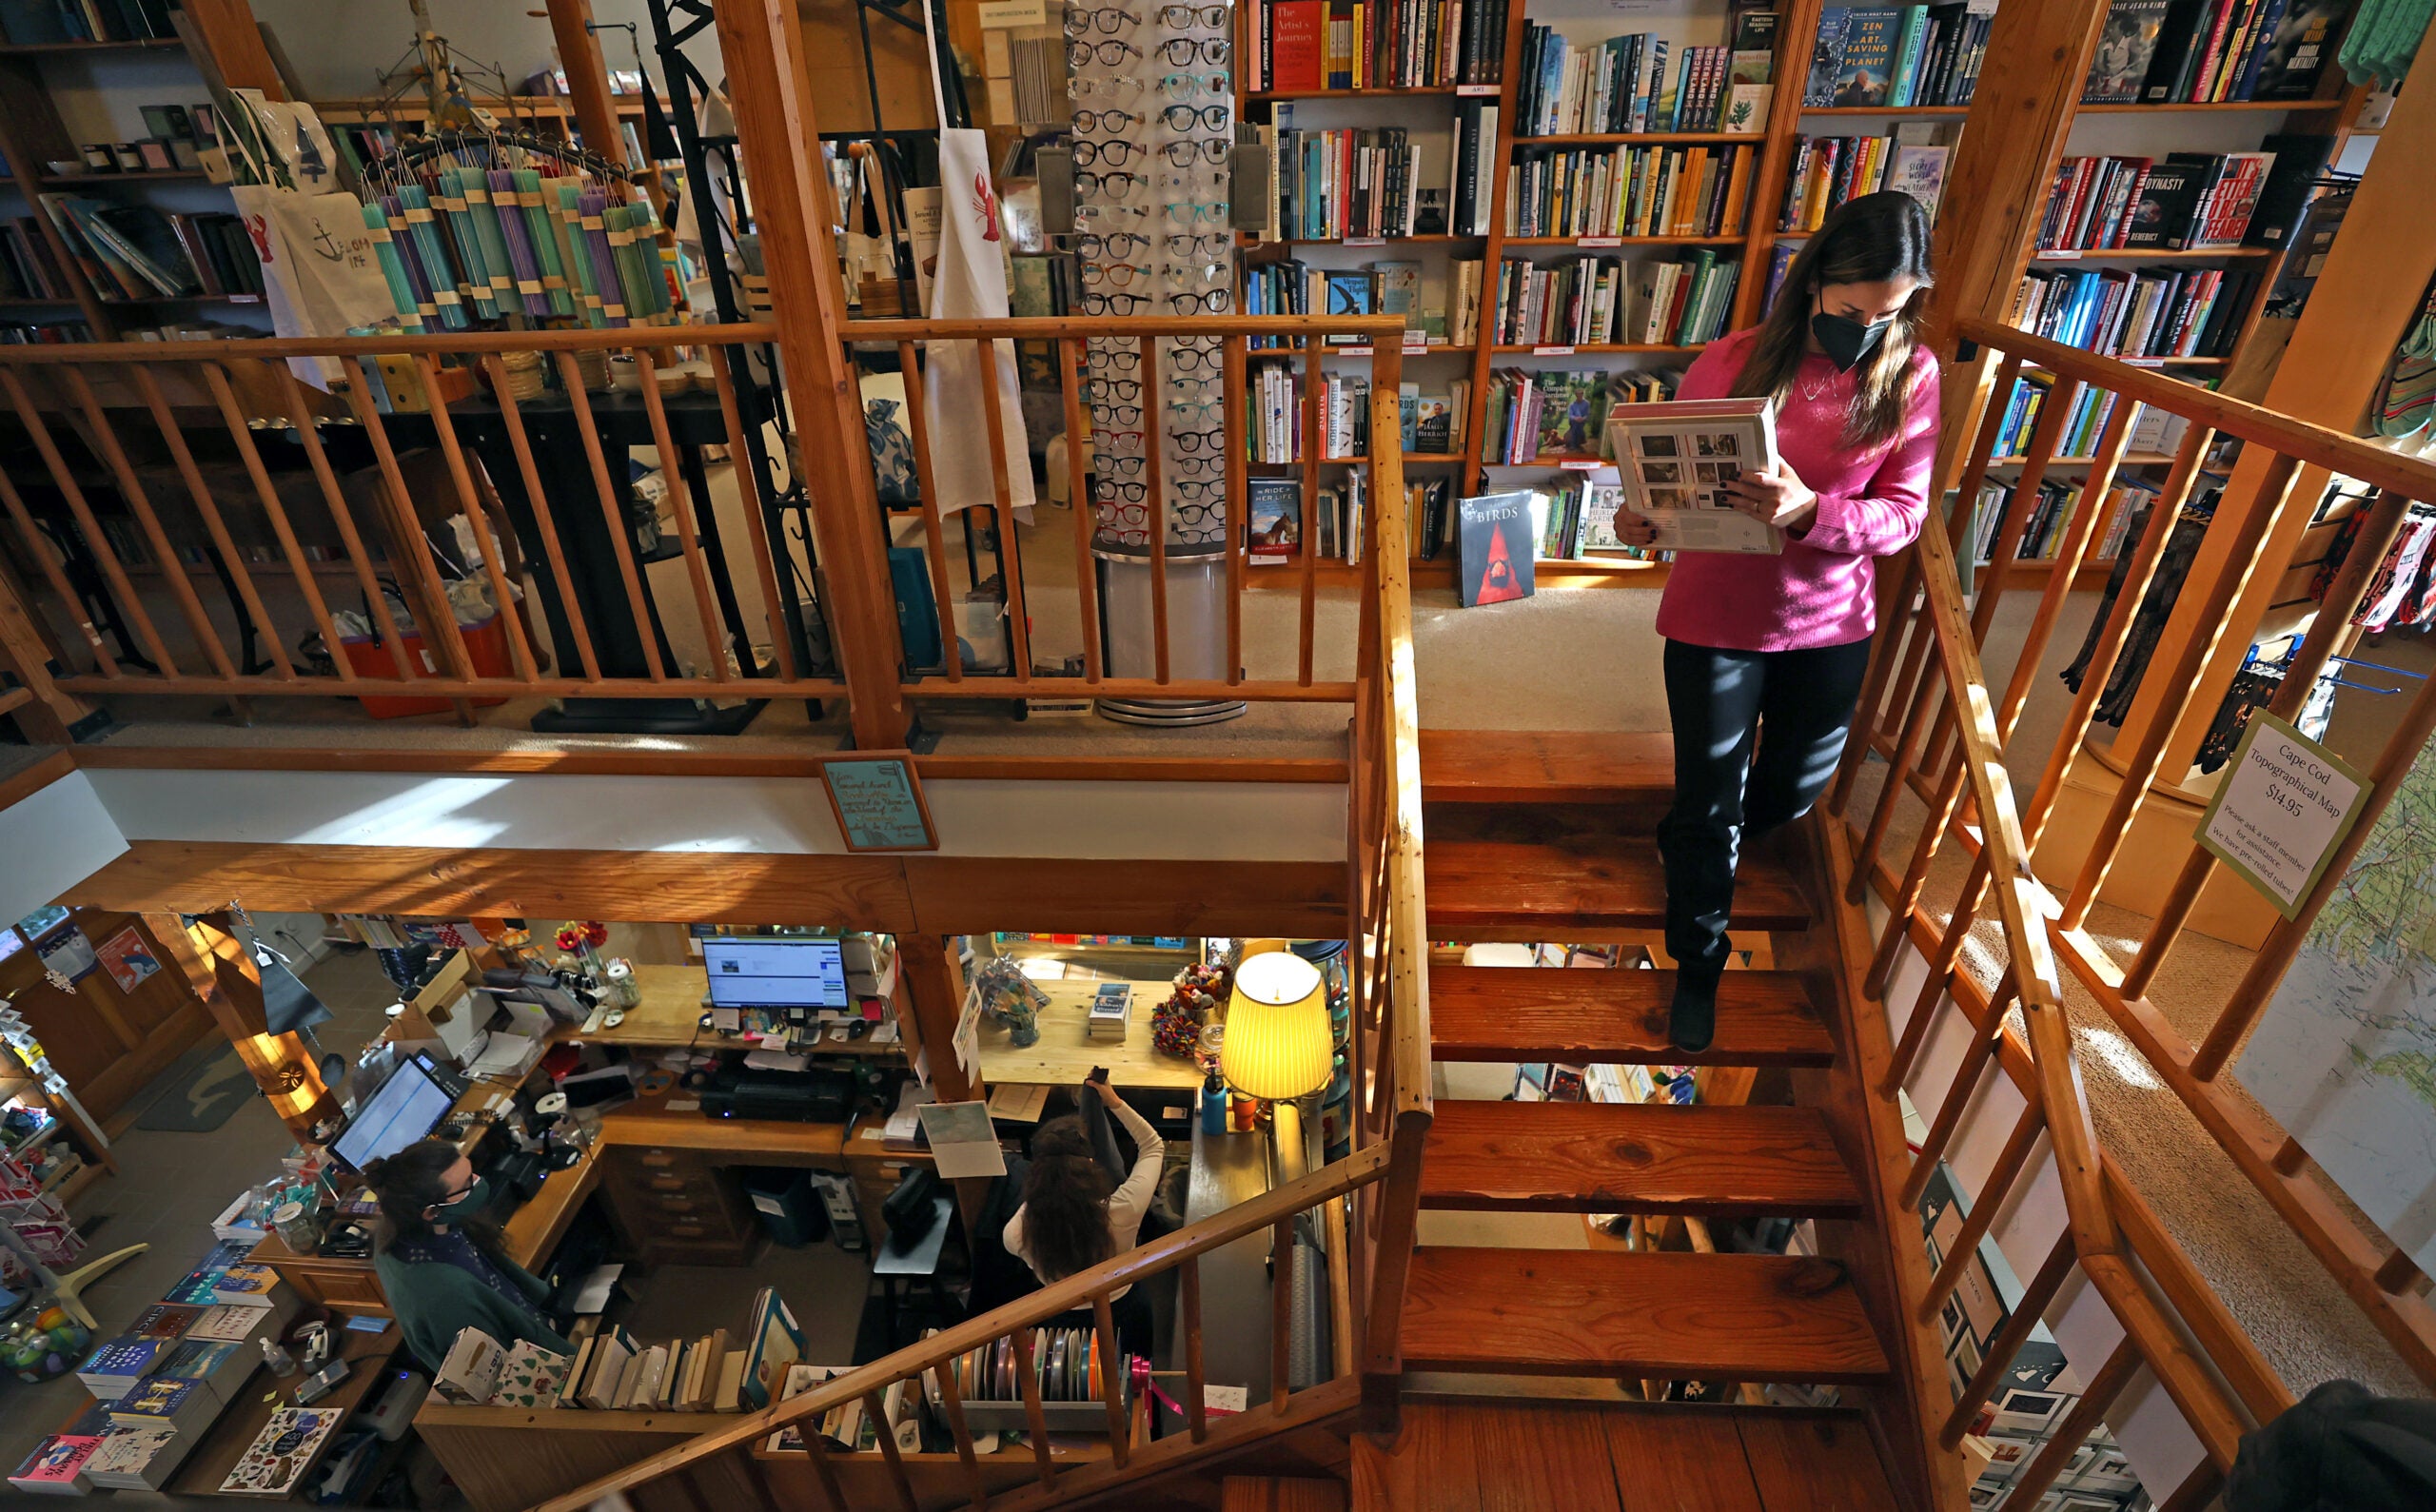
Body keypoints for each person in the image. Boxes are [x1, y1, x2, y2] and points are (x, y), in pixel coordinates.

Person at [1615, 190, 1941, 1052]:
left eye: (1891, 311)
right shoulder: (1730, 359)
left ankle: (1688, 834)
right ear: (1814, 285)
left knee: (1792, 791)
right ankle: (1698, 959)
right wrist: (1640, 522)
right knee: (1712, 799)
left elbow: (1905, 515)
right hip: (1716, 612)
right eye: (1851, 308)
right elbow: (1664, 487)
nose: (1869, 326)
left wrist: (1814, 511)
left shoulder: (1911, 376)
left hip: (1829, 619)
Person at [363, 1139, 572, 1371]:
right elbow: (503, 1366)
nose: (478, 1182)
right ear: (432, 1211)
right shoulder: (445, 1295)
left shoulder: (410, 1230)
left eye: (472, 1173)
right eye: (467, 1184)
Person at [1003, 1080, 1167, 1354]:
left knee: (1076, 1386)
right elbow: (1152, 1146)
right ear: (1090, 1165)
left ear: (1036, 1171)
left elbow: (1033, 1206)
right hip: (1124, 1309)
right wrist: (1115, 1102)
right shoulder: (1123, 1209)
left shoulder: (1017, 1232)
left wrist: (1040, 1191)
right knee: (1136, 1377)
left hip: (1062, 1318)